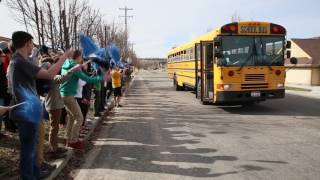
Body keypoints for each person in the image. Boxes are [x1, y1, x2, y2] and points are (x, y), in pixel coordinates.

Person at [7, 31, 72, 180]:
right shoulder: (19, 62)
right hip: (26, 111)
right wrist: (63, 58)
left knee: (33, 145)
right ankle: (28, 176)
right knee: (29, 148)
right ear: (27, 43)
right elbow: (49, 74)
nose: (33, 46)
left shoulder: (19, 61)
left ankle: (35, 172)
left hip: (28, 110)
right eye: (32, 43)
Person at [59, 50, 102, 151]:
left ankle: (68, 139)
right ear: (78, 57)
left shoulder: (66, 64)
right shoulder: (75, 66)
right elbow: (87, 79)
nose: (82, 59)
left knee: (72, 117)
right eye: (81, 57)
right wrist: (101, 77)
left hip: (65, 94)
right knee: (79, 117)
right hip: (68, 95)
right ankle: (73, 141)